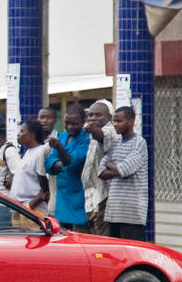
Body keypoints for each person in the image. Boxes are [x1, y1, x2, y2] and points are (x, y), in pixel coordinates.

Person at [99, 105, 149, 241]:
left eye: (119, 121)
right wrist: (116, 168)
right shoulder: (115, 143)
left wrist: (112, 165)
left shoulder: (139, 143)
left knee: (134, 253)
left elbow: (125, 169)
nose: (115, 124)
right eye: (114, 121)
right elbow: (101, 171)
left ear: (131, 121)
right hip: (114, 210)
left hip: (132, 212)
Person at [43, 104, 90, 231]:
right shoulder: (63, 136)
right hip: (62, 199)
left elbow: (73, 163)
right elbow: (48, 163)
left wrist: (59, 149)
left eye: (75, 123)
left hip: (78, 198)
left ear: (83, 122)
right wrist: (63, 162)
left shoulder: (86, 138)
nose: (70, 127)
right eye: (67, 123)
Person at [80, 100, 117, 236]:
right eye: (90, 115)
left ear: (109, 117)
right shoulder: (91, 134)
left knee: (103, 237)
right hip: (92, 195)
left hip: (104, 196)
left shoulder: (109, 130)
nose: (93, 118)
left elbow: (102, 136)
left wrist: (93, 129)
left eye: (98, 115)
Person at [8, 119, 49, 219]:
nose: (19, 134)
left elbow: (46, 188)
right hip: (20, 210)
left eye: (22, 131)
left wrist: (29, 207)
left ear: (31, 134)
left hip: (32, 212)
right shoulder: (28, 152)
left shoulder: (41, 152)